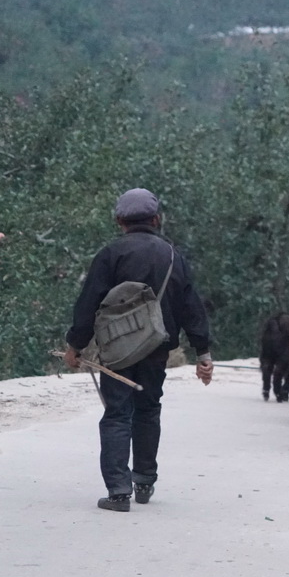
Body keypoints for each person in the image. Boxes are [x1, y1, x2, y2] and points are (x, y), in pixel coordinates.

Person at [63, 188, 214, 512]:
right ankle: (144, 480)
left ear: (119, 221)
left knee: (117, 413)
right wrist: (203, 354)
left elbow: (88, 303)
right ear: (157, 219)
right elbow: (192, 307)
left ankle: (118, 492)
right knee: (148, 409)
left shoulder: (110, 255)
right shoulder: (172, 256)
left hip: (117, 350)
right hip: (156, 348)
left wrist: (75, 345)